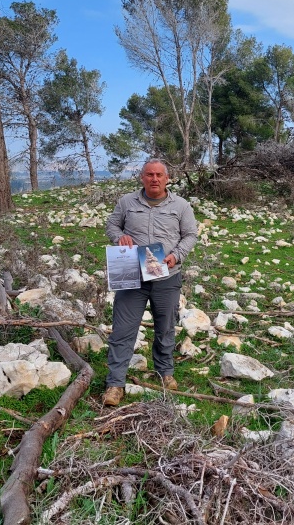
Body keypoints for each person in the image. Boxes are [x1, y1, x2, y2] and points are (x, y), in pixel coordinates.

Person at [102, 159, 198, 407]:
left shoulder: (181, 205)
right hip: (131, 274)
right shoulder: (126, 202)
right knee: (123, 330)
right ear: (142, 177)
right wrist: (119, 236)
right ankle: (115, 384)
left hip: (166, 275)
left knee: (165, 327)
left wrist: (176, 255)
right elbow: (112, 224)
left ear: (167, 178)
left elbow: (190, 235)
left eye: (159, 175)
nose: (154, 179)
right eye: (149, 175)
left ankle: (165, 372)